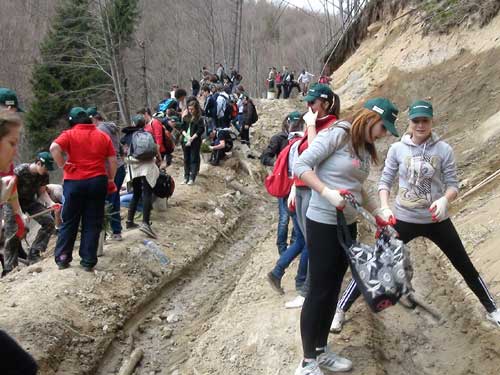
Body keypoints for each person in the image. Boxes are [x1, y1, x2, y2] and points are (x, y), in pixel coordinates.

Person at [330, 100, 500, 333]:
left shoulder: (444, 150)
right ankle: (340, 310)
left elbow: (452, 184)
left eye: (425, 120)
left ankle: (492, 309)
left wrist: (444, 200)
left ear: (431, 121)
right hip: (402, 219)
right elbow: (385, 181)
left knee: (464, 265)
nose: (420, 125)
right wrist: (384, 207)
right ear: (409, 122)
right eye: (415, 121)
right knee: (374, 266)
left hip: (436, 220)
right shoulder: (397, 149)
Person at [293, 97, 399, 375]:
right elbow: (301, 166)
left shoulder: (365, 148)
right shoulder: (338, 134)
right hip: (323, 222)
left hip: (347, 225)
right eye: (383, 127)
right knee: (319, 290)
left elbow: (358, 188)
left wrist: (378, 212)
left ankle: (321, 349)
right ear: (371, 119)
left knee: (333, 289)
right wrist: (327, 192)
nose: (384, 134)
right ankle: (306, 362)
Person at [284, 83, 341, 309]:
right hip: (302, 187)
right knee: (309, 241)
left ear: (325, 104)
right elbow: (300, 161)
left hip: (315, 190)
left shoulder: (331, 126)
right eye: (307, 102)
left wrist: (310, 127)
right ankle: (313, 288)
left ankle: (310, 291)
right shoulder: (314, 124)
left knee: (315, 243)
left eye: (313, 102)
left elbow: (315, 156)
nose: (308, 106)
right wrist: (294, 187)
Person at [50, 107, 117, 271]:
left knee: (70, 220)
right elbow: (112, 160)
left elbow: (54, 148)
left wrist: (63, 165)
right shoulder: (102, 136)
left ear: (72, 122)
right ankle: (88, 260)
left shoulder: (69, 134)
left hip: (74, 182)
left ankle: (63, 258)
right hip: (97, 181)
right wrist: (110, 179)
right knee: (92, 221)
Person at [3, 152, 58, 272]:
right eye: (46, 167)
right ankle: (9, 268)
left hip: (29, 201)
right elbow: (11, 192)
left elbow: (42, 192)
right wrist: (20, 213)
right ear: (38, 163)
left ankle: (34, 253)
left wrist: (51, 204)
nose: (47, 171)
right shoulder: (20, 171)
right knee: (12, 233)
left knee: (49, 221)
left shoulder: (43, 175)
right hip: (12, 202)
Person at [261, 111, 304, 256]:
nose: (295, 126)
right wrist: (279, 164)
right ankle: (282, 248)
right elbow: (265, 157)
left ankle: (293, 245)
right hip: (284, 182)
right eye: (294, 123)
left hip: (298, 182)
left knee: (297, 216)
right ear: (287, 123)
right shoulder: (279, 139)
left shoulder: (304, 139)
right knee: (284, 217)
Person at [88, 107, 125, 241]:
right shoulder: (111, 128)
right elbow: (120, 149)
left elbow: (100, 152)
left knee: (107, 201)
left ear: (94, 118)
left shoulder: (99, 130)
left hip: (110, 168)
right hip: (119, 166)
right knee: (113, 199)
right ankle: (115, 231)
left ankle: (107, 233)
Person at [122, 114, 159, 239]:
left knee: (136, 192)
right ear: (144, 124)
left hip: (134, 165)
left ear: (133, 123)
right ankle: (145, 223)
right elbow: (155, 148)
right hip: (147, 165)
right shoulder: (148, 134)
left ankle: (129, 221)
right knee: (147, 193)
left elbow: (123, 148)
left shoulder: (128, 135)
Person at [180, 100, 204, 185]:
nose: (190, 111)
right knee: (186, 159)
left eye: (192, 109)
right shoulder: (186, 117)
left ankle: (192, 177)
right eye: (189, 109)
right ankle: (185, 177)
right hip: (185, 140)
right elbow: (182, 128)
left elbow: (200, 130)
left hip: (195, 141)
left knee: (193, 159)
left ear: (196, 109)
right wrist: (186, 137)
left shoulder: (199, 119)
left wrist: (192, 138)